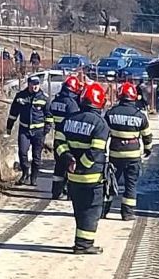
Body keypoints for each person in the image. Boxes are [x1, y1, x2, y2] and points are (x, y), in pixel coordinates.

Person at [55, 82, 110, 255]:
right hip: (91, 177)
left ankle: (81, 241)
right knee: (92, 210)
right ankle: (84, 245)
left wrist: (69, 159)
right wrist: (82, 166)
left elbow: (59, 143)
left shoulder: (68, 120)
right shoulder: (100, 124)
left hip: (73, 177)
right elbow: (96, 151)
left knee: (79, 209)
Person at [105, 81, 153, 219]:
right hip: (133, 157)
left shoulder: (111, 113)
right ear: (134, 97)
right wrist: (148, 149)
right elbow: (147, 135)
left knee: (110, 184)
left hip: (115, 155)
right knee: (130, 185)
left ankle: (103, 211)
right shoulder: (140, 115)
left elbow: (102, 133)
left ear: (120, 96)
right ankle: (127, 213)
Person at [6, 75, 52, 185]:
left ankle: (34, 178)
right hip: (24, 130)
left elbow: (49, 115)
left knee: (37, 156)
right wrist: (9, 127)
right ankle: (25, 173)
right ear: (29, 84)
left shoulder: (44, 98)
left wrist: (47, 128)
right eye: (33, 84)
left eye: (37, 84)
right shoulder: (20, 96)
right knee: (22, 152)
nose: (35, 87)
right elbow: (13, 114)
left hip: (38, 131)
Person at [49, 76, 83, 199]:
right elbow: (75, 120)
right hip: (68, 139)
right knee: (70, 164)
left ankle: (56, 192)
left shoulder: (56, 100)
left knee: (59, 165)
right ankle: (68, 192)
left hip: (57, 137)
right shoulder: (71, 104)